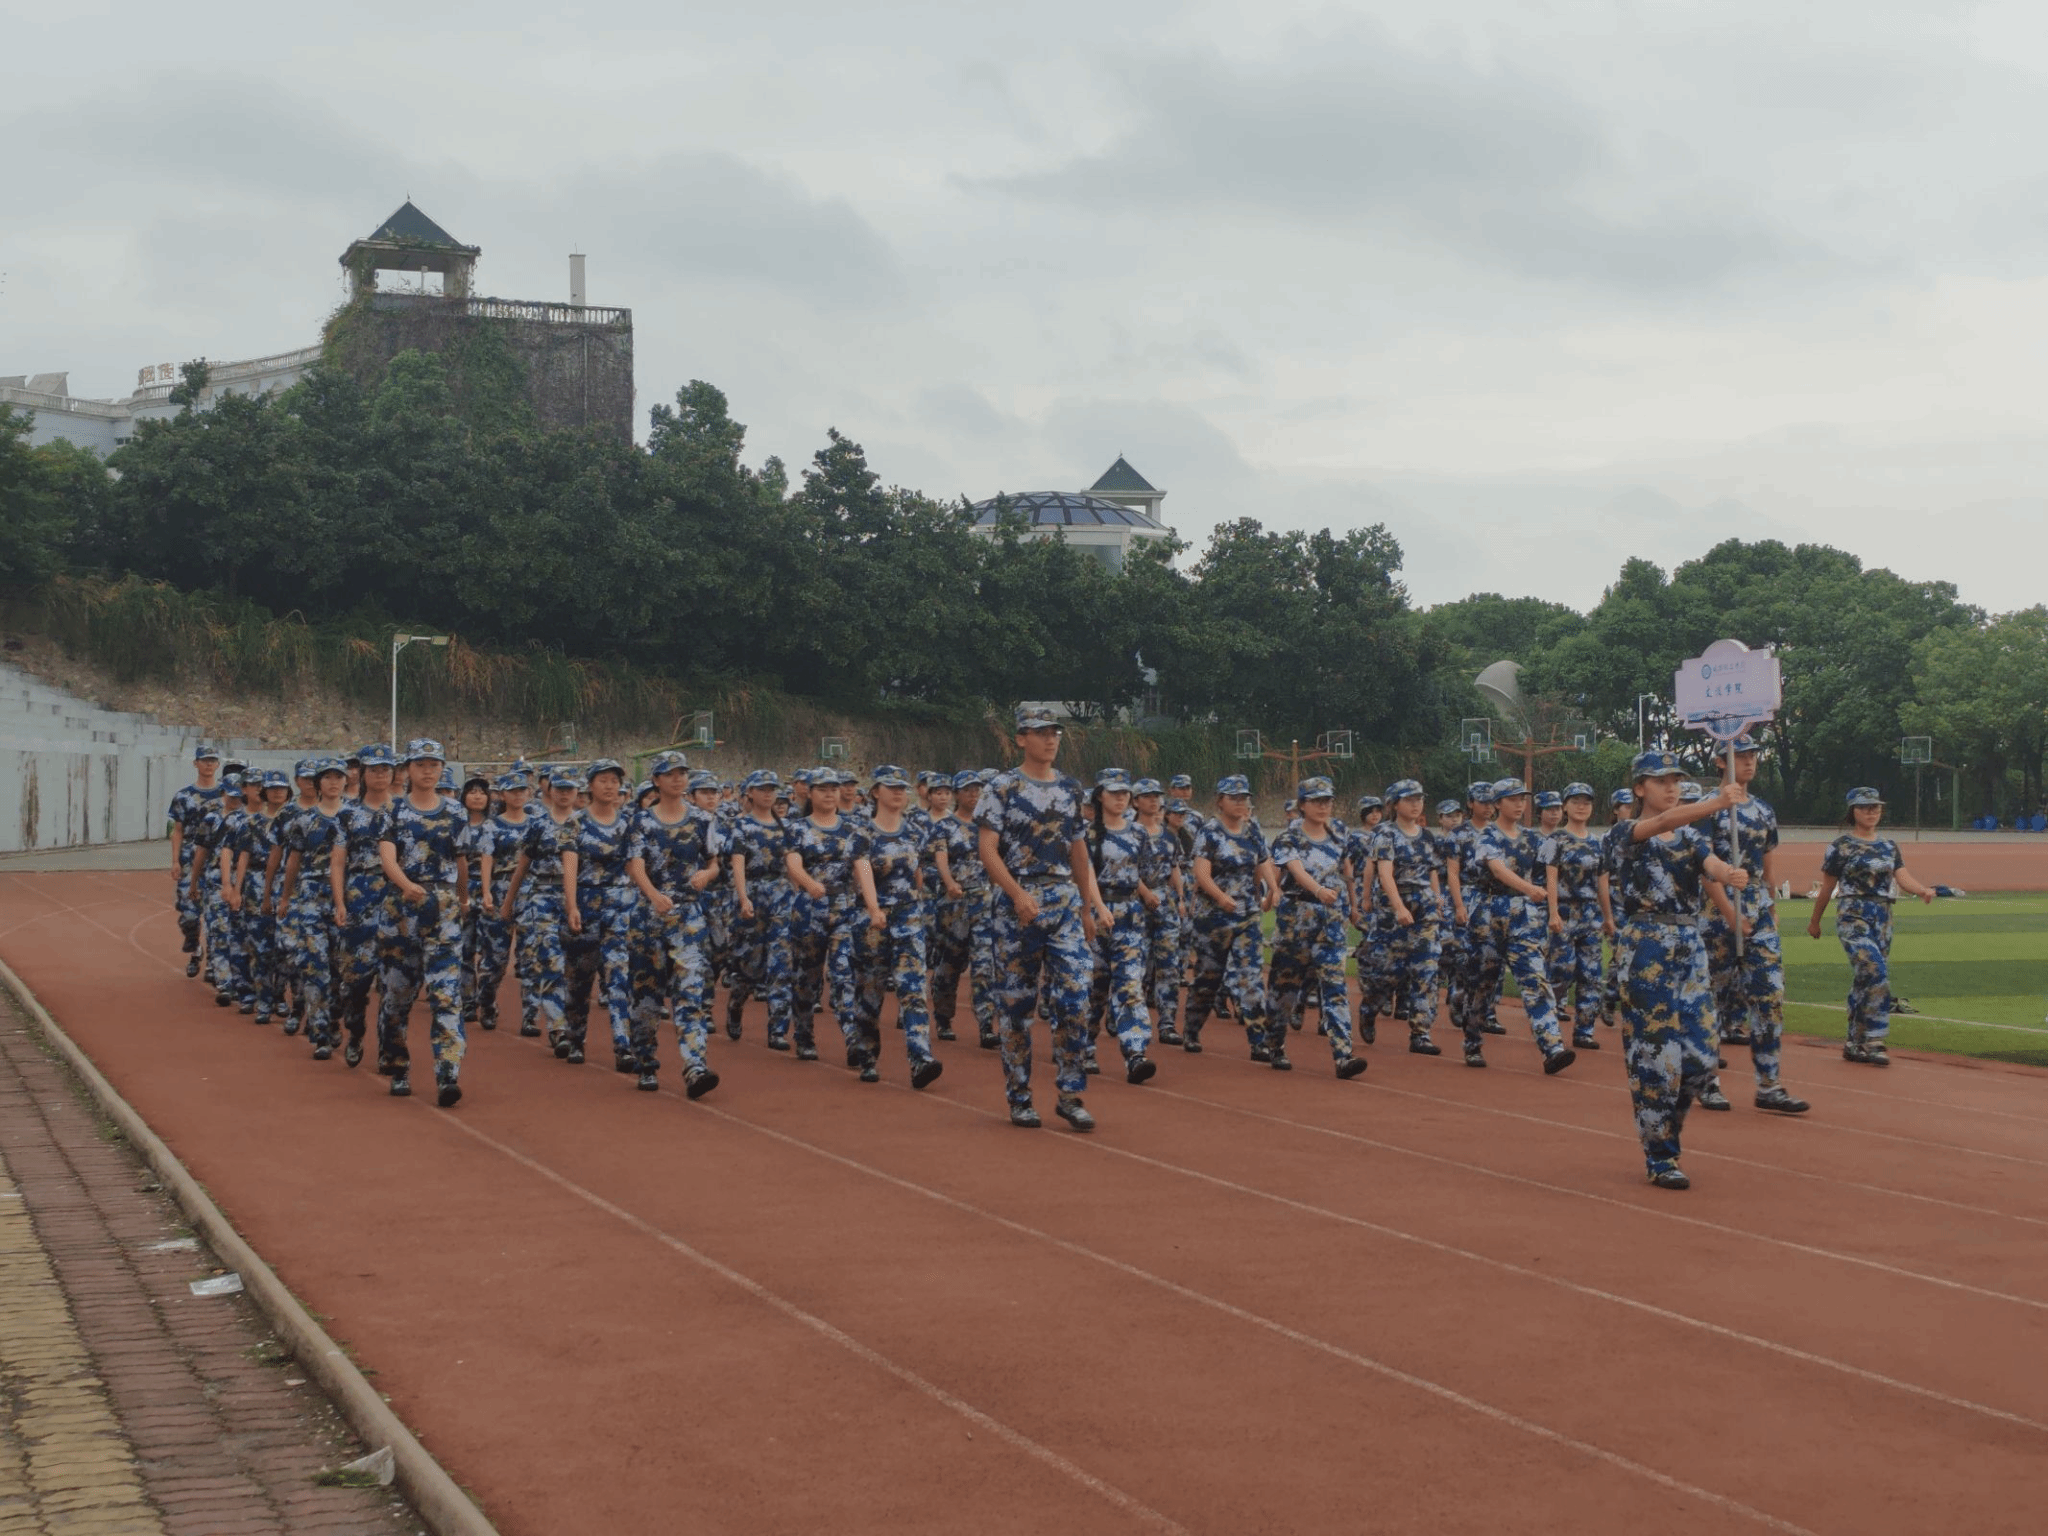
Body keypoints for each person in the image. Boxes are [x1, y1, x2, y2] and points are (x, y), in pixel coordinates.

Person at [1607, 751, 1754, 1189]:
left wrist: (1731, 874)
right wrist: (1715, 803)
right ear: (1639, 788)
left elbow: (1710, 865)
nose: (1670, 787)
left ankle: (1667, 1128)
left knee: (1702, 1055)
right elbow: (1658, 826)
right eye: (1660, 780)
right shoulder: (1625, 832)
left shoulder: (1690, 837)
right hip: (1646, 944)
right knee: (1656, 1057)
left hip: (1689, 946)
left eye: (1676, 780)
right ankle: (1660, 1155)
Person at [976, 708, 1114, 1130]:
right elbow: (987, 849)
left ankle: (1070, 1094)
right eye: (1040, 732)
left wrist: (1088, 908)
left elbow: (1078, 850)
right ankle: (1019, 1095)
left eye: (1054, 732)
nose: (1050, 739)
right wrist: (1016, 894)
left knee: (1075, 996)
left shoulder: (1071, 788)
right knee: (1017, 1008)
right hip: (1017, 902)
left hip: (1063, 900)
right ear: (1021, 738)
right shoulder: (1002, 787)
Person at [1702, 739, 1808, 1112]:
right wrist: (1731, 915)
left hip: (1758, 910)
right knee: (1711, 998)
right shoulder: (1706, 810)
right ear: (1720, 762)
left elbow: (1767, 860)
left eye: (1752, 756)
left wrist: (1772, 904)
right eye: (1739, 756)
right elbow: (1703, 868)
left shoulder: (1763, 810)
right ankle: (1707, 1079)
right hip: (1717, 914)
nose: (1749, 762)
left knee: (1769, 994)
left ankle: (1769, 1083)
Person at [1808, 787, 1935, 1066]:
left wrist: (1922, 890)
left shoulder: (1889, 846)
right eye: (1865, 807)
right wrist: (1815, 921)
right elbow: (1828, 887)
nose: (1871, 812)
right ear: (1853, 810)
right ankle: (1875, 1039)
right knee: (1875, 970)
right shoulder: (1841, 846)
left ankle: (1855, 1041)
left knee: (1865, 978)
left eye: (1875, 807)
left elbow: (1903, 877)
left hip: (1883, 915)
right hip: (1853, 913)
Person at [375, 739, 471, 1106]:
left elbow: (461, 861)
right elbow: (387, 857)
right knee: (398, 994)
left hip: (443, 907)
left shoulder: (456, 813)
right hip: (402, 908)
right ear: (408, 771)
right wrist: (406, 886)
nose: (428, 771)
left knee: (446, 993)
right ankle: (397, 1065)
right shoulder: (394, 812)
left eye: (434, 764)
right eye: (421, 764)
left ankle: (447, 1071)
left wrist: (462, 901)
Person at [624, 751, 722, 1096]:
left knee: (691, 991)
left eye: (682, 773)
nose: (678, 779)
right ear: (656, 781)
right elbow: (634, 865)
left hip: (689, 916)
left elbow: (714, 861)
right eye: (670, 774)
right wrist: (652, 894)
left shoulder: (702, 819)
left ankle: (695, 1066)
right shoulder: (642, 821)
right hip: (649, 917)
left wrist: (706, 875)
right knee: (647, 997)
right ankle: (646, 1062)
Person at [843, 765, 945, 1088]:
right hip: (872, 920)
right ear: (875, 792)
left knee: (913, 988)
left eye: (903, 787)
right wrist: (874, 909)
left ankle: (920, 1058)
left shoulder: (916, 831)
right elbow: (862, 871)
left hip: (909, 918)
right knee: (870, 992)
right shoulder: (863, 833)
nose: (899, 792)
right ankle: (868, 1054)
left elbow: (920, 871)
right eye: (891, 787)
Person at [1470, 777, 1574, 1073]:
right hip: (1488, 913)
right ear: (1497, 804)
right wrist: (1527, 887)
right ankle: (1472, 1040)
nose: (1519, 804)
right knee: (1483, 983)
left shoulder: (1533, 839)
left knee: (1535, 979)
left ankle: (1552, 1047)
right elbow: (1496, 867)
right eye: (1512, 798)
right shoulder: (1486, 835)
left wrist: (1553, 907)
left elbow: (1552, 870)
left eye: (1522, 799)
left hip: (1522, 917)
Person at [1270, 777, 1369, 1077]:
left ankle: (1343, 1055)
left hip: (1331, 919)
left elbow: (1348, 868)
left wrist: (1353, 904)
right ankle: (1275, 1044)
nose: (1323, 806)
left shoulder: (1340, 833)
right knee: (1286, 987)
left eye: (1327, 801)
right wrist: (1317, 890)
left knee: (1335, 986)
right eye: (1316, 801)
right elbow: (1295, 869)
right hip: (1297, 915)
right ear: (1302, 805)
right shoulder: (1289, 837)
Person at [1184, 774, 1282, 1063]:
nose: (1241, 803)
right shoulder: (1210, 832)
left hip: (1246, 915)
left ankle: (1259, 1041)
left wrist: (1273, 890)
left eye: (1244, 798)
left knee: (1250, 977)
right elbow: (1200, 872)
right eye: (1234, 798)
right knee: (1208, 979)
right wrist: (1219, 896)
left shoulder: (1252, 830)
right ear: (1220, 801)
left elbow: (1264, 861)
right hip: (1213, 918)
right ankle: (1192, 1029)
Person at [563, 758, 641, 1074]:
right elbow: (569, 867)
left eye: (614, 781)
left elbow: (635, 866)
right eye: (604, 780)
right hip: (585, 901)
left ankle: (623, 1045)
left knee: (619, 976)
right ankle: (575, 1037)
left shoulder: (628, 825)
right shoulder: (575, 823)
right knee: (580, 979)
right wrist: (571, 905)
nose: (610, 786)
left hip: (620, 905)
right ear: (590, 785)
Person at [1083, 768, 1161, 1084]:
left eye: (1125, 792)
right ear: (1100, 795)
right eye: (1114, 792)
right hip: (1094, 913)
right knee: (1094, 987)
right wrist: (1097, 908)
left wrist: (1146, 893)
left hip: (1129, 914)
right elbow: (1082, 874)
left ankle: (1135, 1053)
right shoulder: (1085, 834)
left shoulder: (1138, 833)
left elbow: (1141, 871)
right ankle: (1084, 1046)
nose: (1120, 797)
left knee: (1130, 985)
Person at [498, 769, 581, 1056]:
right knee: (550, 961)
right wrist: (509, 902)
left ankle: (573, 1025)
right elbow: (522, 865)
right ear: (549, 789)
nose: (564, 793)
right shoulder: (538, 824)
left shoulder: (585, 823)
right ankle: (557, 1027)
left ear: (578, 791)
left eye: (570, 788)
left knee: (576, 967)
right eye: (559, 787)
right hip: (542, 896)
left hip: (581, 897)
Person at [785, 767, 861, 1062]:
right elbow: (793, 863)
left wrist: (869, 895)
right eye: (823, 789)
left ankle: (853, 1037)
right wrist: (808, 883)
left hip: (844, 909)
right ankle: (803, 1035)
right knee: (807, 977)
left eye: (834, 788)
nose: (830, 793)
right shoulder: (798, 828)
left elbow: (861, 863)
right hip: (809, 911)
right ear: (810, 793)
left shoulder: (852, 828)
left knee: (844, 972)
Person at [275, 758, 348, 1060]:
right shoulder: (304, 821)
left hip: (346, 895)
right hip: (310, 895)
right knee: (314, 965)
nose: (333, 782)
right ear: (317, 784)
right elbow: (293, 861)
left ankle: (333, 1019)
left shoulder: (356, 816)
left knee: (341, 969)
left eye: (338, 777)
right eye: (327, 778)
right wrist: (285, 897)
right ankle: (320, 1030)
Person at [332, 744, 398, 1069]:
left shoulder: (404, 812)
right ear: (362, 773)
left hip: (395, 899)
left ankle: (389, 1048)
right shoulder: (347, 814)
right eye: (374, 769)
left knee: (393, 983)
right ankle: (355, 1031)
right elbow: (338, 862)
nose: (380, 774)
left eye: (386, 769)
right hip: (359, 899)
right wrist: (340, 901)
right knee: (355, 982)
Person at [1374, 779, 1447, 1057]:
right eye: (1410, 799)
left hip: (1425, 905)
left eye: (1420, 798)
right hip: (1394, 906)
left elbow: (1432, 873)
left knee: (1427, 969)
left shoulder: (1428, 837)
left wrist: (1438, 900)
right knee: (1388, 971)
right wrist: (1398, 907)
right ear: (1394, 804)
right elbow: (1385, 873)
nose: (1416, 803)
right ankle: (1370, 1007)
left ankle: (1421, 1033)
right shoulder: (1385, 834)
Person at [725, 770, 797, 1047]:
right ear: (750, 793)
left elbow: (792, 864)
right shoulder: (741, 825)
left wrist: (799, 892)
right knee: (749, 964)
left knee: (782, 962)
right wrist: (743, 898)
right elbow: (738, 863)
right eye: (762, 788)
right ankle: (736, 1004)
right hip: (753, 894)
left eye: (772, 788)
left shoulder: (786, 827)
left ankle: (778, 1028)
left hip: (780, 894)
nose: (768, 793)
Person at [929, 769, 998, 1051]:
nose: (973, 794)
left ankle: (986, 1025)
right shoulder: (944, 826)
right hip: (954, 903)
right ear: (956, 793)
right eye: (968, 790)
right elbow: (940, 858)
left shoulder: (989, 826)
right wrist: (949, 882)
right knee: (950, 963)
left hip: (983, 900)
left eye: (977, 789)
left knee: (985, 964)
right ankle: (944, 1017)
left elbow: (996, 861)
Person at [472, 772, 533, 1036]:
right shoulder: (492, 826)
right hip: (499, 887)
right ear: (502, 795)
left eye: (522, 790)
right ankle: (486, 1002)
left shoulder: (537, 823)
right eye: (513, 791)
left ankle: (530, 1015)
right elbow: (487, 858)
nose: (518, 795)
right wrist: (486, 891)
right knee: (495, 959)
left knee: (531, 956)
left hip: (531, 891)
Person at [1548, 783, 1606, 1053]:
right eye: (1576, 801)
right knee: (1562, 970)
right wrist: (1552, 912)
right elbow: (1549, 877)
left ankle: (1584, 1030)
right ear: (1565, 806)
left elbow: (1602, 881)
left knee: (1592, 974)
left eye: (1587, 801)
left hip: (1591, 913)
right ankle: (1547, 1020)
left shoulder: (1597, 842)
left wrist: (1608, 916)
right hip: (1564, 910)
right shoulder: (1555, 840)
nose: (1582, 806)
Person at [1130, 778, 1187, 1048]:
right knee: (1135, 967)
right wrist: (1145, 893)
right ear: (1136, 801)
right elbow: (1126, 870)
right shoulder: (1128, 833)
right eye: (1147, 796)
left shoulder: (1168, 835)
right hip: (1136, 903)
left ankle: (1167, 1023)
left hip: (1165, 903)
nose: (1153, 800)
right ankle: (1131, 1019)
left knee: (1168, 967)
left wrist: (1182, 897)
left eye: (1157, 796)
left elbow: (1175, 866)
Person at [169, 745, 226, 977]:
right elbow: (178, 830)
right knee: (189, 915)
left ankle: (213, 962)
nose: (209, 764)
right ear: (196, 763)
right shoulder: (183, 796)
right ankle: (196, 950)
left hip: (216, 861)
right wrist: (175, 861)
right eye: (204, 760)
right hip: (190, 861)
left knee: (215, 914)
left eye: (213, 760)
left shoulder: (227, 795)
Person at [1598, 788, 1634, 1028]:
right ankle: (1610, 998)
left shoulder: (1644, 831)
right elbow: (1603, 874)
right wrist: (1607, 914)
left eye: (1632, 805)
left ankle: (1624, 1000)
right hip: (1615, 895)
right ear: (1615, 809)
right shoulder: (1609, 838)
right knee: (1621, 953)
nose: (1630, 809)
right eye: (1625, 805)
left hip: (1637, 897)